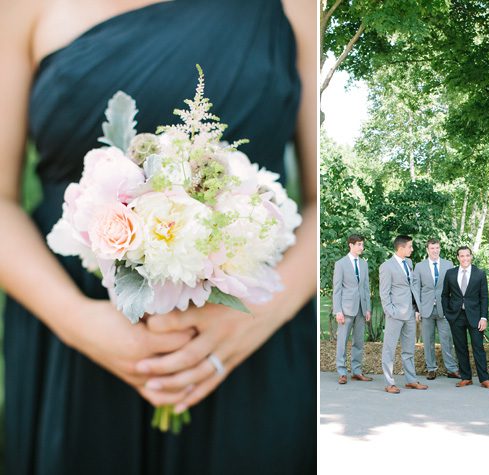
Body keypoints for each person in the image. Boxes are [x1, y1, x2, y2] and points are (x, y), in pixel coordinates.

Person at [1, 1, 316, 473]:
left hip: (252, 337)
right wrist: (77, 322)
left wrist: (258, 314)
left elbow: (319, 200)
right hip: (73, 346)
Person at [441, 246, 489, 390]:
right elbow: (444, 295)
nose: (465, 258)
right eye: (461, 256)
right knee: (460, 347)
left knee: (478, 347)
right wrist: (448, 314)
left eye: (467, 255)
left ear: (471, 256)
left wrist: (484, 317)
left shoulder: (479, 274)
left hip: (475, 317)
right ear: (458, 258)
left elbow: (484, 297)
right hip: (456, 316)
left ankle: (484, 379)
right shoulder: (450, 274)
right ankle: (466, 377)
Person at [379, 235, 428, 394]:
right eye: (410, 247)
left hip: (410, 313)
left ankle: (411, 380)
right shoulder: (387, 266)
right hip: (395, 314)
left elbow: (411, 287)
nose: (412, 249)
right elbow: (384, 293)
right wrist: (391, 311)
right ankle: (389, 382)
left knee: (409, 350)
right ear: (401, 248)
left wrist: (417, 308)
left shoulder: (409, 263)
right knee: (389, 349)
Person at [413, 238, 460, 380]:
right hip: (425, 309)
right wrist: (416, 308)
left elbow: (453, 287)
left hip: (444, 309)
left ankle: (452, 369)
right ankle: (431, 368)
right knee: (428, 340)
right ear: (427, 250)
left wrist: (452, 307)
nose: (435, 251)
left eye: (437, 248)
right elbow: (416, 289)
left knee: (447, 339)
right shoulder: (419, 266)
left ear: (440, 249)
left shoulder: (448, 264)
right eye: (432, 248)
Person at [333, 234, 373, 384]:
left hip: (362, 309)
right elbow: (337, 289)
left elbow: (366, 288)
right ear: (351, 245)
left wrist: (368, 308)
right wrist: (338, 310)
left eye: (362, 245)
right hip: (346, 309)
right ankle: (342, 372)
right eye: (359, 244)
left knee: (359, 342)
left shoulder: (364, 264)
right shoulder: (341, 264)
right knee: (342, 341)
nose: (361, 247)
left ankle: (356, 371)